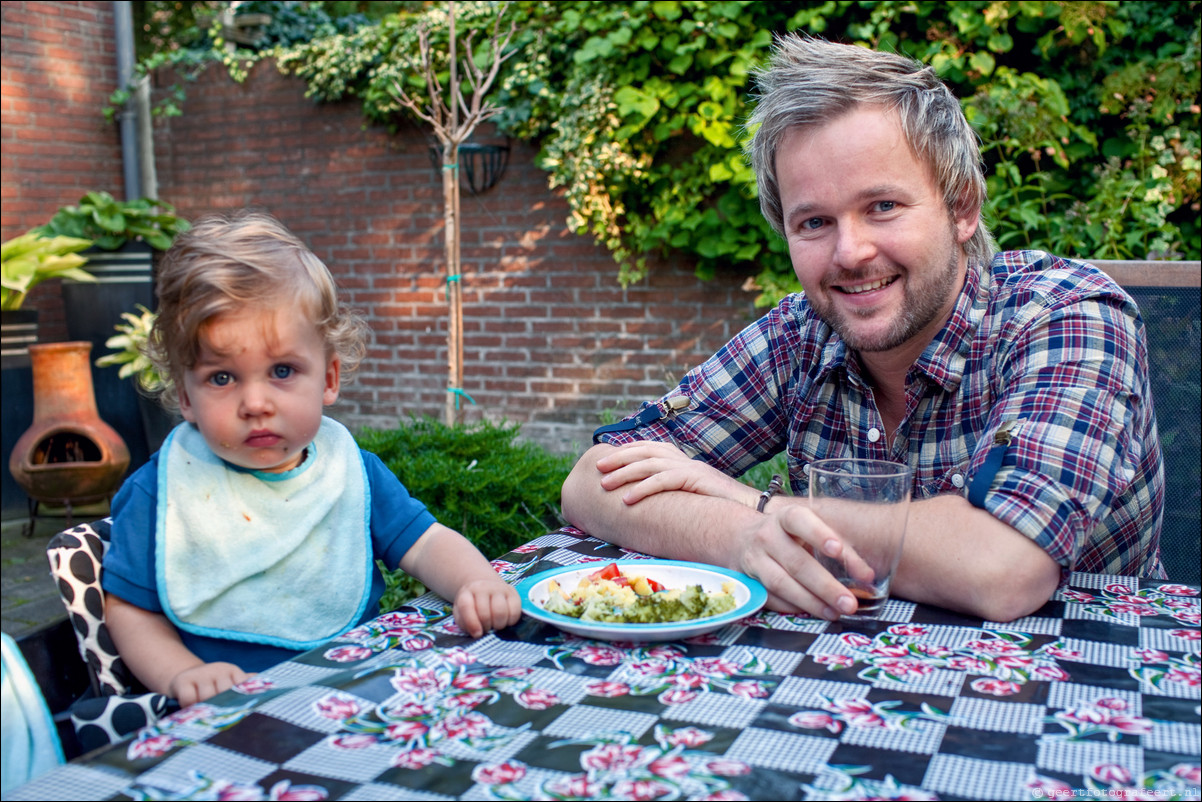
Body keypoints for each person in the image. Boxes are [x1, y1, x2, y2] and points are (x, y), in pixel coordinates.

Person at [562, 36, 1165, 624]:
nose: (850, 253)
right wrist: (744, 539)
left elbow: (1002, 566)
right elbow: (593, 480)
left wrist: (760, 504)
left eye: (883, 206)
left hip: (1070, 693)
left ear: (961, 207)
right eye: (816, 221)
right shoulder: (799, 336)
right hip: (829, 689)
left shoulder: (1068, 316)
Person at [103, 212, 521, 706]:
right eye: (221, 378)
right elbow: (130, 610)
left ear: (328, 379)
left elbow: (427, 545)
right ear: (186, 396)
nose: (254, 402)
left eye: (282, 370)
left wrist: (476, 580)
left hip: (356, 687)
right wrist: (183, 674)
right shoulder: (163, 491)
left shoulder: (349, 472)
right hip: (231, 711)